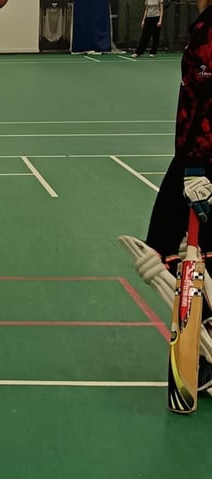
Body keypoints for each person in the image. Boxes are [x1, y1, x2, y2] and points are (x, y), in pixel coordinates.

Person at [123, 0, 212, 394]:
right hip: (194, 154)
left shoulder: (209, 30)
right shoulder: (203, 25)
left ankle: (205, 355)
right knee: (165, 246)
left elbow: (206, 102)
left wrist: (196, 166)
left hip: (202, 157)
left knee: (163, 245)